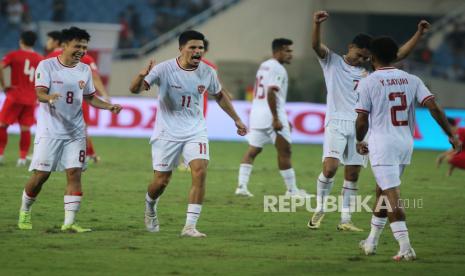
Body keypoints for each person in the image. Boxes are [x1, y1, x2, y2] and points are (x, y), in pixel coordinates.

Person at [307, 10, 430, 231]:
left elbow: (398, 54)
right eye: (360, 55)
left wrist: (418, 33)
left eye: (366, 57)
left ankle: (345, 220)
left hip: (360, 126)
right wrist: (316, 24)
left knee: (352, 173)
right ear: (350, 47)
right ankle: (321, 208)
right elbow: (316, 45)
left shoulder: (369, 73)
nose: (362, 60)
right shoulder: (332, 62)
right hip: (336, 122)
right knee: (330, 168)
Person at [129, 30, 247, 237]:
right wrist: (141, 75)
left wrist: (236, 119)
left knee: (200, 171)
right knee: (161, 181)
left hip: (196, 130)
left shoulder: (207, 71)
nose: (197, 51)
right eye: (192, 47)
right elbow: (135, 90)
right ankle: (150, 206)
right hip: (167, 132)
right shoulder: (164, 69)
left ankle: (190, 226)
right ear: (181, 48)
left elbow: (219, 95)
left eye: (200, 48)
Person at [355, 36, 461, 261]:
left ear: (372, 57)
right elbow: (434, 107)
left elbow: (362, 119)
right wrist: (450, 134)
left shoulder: (369, 82)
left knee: (392, 195)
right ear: (395, 56)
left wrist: (358, 140)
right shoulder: (412, 79)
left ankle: (405, 247)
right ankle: (371, 241)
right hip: (405, 144)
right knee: (382, 192)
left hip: (382, 144)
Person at [17, 27, 122, 232]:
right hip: (50, 131)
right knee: (41, 176)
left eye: (84, 47)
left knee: (74, 173)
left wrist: (109, 106)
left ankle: (69, 222)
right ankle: (25, 210)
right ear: (64, 46)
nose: (82, 50)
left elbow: (90, 97)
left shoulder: (84, 69)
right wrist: (49, 97)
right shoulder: (46, 65)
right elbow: (39, 93)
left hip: (76, 132)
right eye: (77, 46)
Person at [235, 38, 308, 198]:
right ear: (279, 51)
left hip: (257, 114)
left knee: (253, 150)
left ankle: (241, 186)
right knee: (285, 151)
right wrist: (276, 118)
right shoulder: (278, 68)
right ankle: (292, 190)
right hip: (271, 114)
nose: (291, 55)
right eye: (288, 51)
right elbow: (271, 92)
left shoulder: (264, 65)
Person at [45, 30, 111, 163]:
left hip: (58, 100)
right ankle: (88, 154)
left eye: (49, 40)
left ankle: (53, 154)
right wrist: (104, 94)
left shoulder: (49, 58)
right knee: (80, 128)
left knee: (57, 127)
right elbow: (95, 77)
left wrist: (43, 96)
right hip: (77, 99)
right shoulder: (86, 58)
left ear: (57, 42)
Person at [0, 31, 43, 166]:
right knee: (25, 128)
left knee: (2, 125)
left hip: (15, 96)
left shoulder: (14, 55)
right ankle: (22, 158)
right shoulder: (40, 58)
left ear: (21, 41)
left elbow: (0, 67)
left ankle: (0, 154)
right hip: (31, 99)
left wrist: (4, 85)